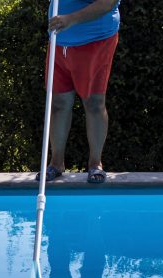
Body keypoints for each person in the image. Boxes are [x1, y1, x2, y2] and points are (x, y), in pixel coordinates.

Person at [40, 0, 121, 184]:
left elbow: (107, 3)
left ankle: (95, 164)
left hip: (95, 40)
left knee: (93, 103)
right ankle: (56, 164)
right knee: (58, 104)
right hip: (59, 39)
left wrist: (71, 19)